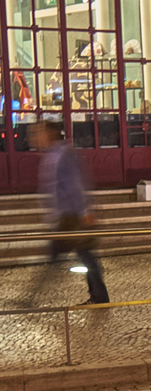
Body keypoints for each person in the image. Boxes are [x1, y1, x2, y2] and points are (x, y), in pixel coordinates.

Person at [29, 120, 109, 305]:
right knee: (82, 256)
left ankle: (32, 296)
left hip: (72, 216)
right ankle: (99, 295)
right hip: (64, 216)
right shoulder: (52, 155)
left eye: (39, 132)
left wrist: (85, 211)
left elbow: (75, 184)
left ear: (50, 134)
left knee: (78, 256)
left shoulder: (63, 154)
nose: (35, 137)